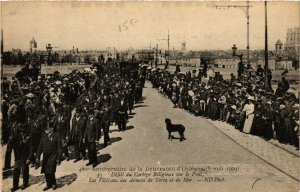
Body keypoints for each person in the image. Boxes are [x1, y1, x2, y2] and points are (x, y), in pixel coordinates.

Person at [36, 125, 62, 191]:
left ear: (51, 129)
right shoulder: (43, 136)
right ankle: (48, 184)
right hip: (45, 156)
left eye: (47, 129)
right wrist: (37, 157)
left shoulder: (56, 136)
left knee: (51, 170)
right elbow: (40, 147)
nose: (46, 130)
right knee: (46, 171)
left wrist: (59, 158)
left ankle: (53, 183)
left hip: (53, 155)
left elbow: (59, 148)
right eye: (45, 129)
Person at [10, 123, 32, 191]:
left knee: (25, 170)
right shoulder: (17, 136)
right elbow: (13, 143)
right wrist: (11, 140)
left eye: (23, 131)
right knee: (16, 171)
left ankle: (25, 183)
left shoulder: (29, 138)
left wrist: (29, 158)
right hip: (18, 157)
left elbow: (31, 149)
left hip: (25, 157)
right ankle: (15, 186)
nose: (22, 132)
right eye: (20, 131)